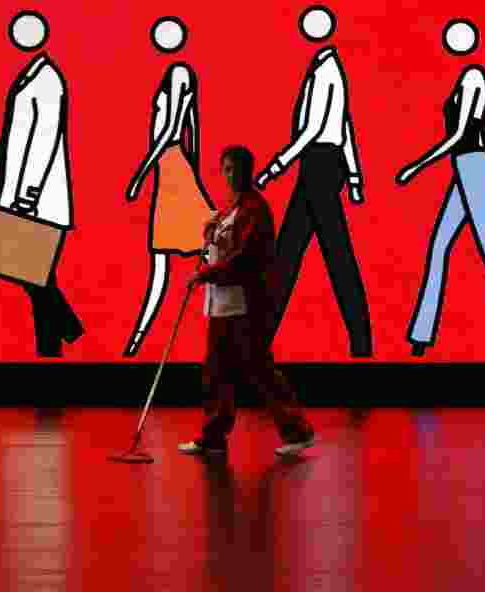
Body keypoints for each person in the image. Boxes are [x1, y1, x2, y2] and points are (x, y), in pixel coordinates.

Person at [397, 19, 485, 358]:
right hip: (467, 169)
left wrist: (416, 167)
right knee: (439, 247)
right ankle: (421, 336)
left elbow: (461, 136)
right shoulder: (465, 79)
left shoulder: (474, 77)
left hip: (474, 167)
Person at [179, 146, 316, 457]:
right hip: (222, 303)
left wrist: (206, 274)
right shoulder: (231, 208)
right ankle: (213, 436)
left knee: (258, 368)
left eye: (236, 168)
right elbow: (224, 244)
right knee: (216, 370)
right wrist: (211, 233)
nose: (230, 174)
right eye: (225, 168)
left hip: (245, 302)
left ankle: (298, 431)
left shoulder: (256, 209)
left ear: (248, 170)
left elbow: (245, 259)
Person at [255, 5, 372, 358]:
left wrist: (277, 165)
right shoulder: (325, 68)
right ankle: (260, 342)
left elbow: (317, 129)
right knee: (290, 254)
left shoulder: (327, 71)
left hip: (319, 165)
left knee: (332, 254)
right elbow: (345, 125)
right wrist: (353, 174)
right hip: (321, 165)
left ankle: (361, 342)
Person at [0, 12, 83, 357]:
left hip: (39, 199)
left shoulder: (48, 80)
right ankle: (53, 346)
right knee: (38, 277)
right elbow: (11, 135)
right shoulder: (28, 77)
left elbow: (44, 141)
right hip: (19, 195)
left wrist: (28, 193)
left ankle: (63, 334)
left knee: (36, 276)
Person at [123, 17, 215, 357]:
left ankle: (138, 337)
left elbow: (171, 129)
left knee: (185, 258)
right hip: (170, 171)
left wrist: (139, 174)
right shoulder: (177, 74)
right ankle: (138, 337)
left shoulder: (178, 73)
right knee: (163, 262)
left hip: (172, 168)